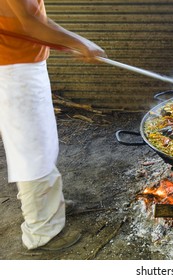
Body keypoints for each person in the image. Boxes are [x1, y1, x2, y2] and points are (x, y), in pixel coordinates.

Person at [0, 0, 106, 250]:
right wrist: (79, 42)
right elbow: (31, 24)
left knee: (41, 145)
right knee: (32, 152)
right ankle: (41, 231)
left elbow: (35, 20)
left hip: (21, 65)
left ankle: (49, 206)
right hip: (13, 71)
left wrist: (67, 40)